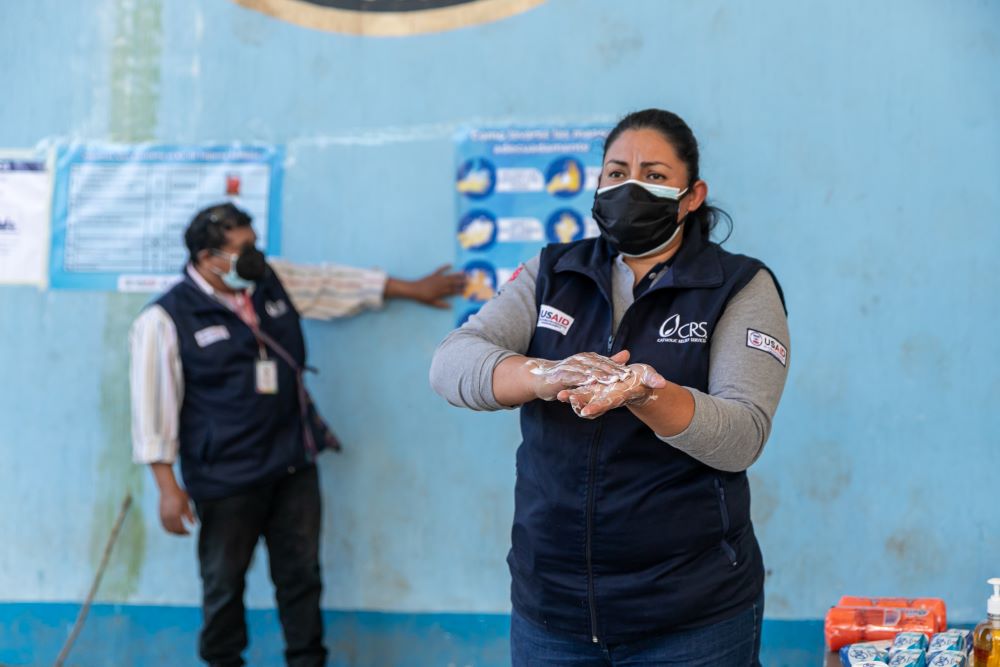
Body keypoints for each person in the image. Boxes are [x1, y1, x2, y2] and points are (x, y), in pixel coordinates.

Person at [430, 109, 790, 666]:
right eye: (616, 172)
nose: (630, 187)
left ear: (692, 195)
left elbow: (743, 435)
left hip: (692, 616)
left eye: (654, 174)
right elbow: (452, 363)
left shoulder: (739, 286)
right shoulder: (553, 272)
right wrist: (544, 375)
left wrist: (648, 395)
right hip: (551, 610)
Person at [129, 202, 464, 667]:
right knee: (224, 586)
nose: (254, 257)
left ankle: (307, 661)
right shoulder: (164, 320)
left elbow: (333, 285)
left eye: (254, 244)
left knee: (301, 578)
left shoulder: (269, 278)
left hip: (292, 463)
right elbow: (152, 408)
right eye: (241, 250)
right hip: (224, 479)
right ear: (208, 258)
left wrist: (412, 289)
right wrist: (168, 489)